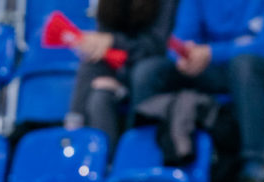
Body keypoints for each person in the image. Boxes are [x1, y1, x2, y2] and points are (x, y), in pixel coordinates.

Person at [132, 0, 264, 182]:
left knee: (244, 65)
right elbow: (181, 39)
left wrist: (211, 53)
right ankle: (139, 170)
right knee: (149, 72)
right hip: (218, 69)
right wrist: (185, 57)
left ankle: (253, 175)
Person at [65, 0, 179, 154]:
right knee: (98, 92)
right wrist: (93, 45)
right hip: (123, 69)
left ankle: (133, 150)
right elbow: (105, 45)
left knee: (143, 73)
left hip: (156, 70)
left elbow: (158, 46)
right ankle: (72, 134)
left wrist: (112, 41)